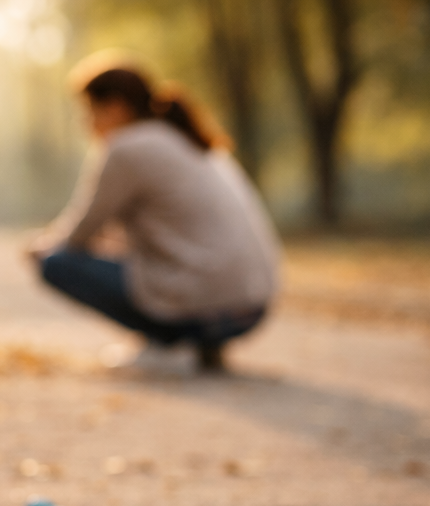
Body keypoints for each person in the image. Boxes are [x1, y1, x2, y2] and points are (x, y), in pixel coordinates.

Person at [31, 52, 280, 369]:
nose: (85, 123)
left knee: (56, 262)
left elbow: (79, 234)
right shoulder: (186, 138)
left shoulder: (126, 147)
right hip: (250, 307)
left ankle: (165, 342)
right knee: (127, 264)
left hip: (206, 307)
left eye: (90, 111)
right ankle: (198, 344)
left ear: (117, 107)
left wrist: (41, 246)